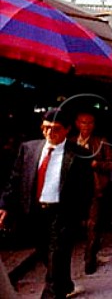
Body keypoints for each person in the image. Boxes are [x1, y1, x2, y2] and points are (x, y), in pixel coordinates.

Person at [0, 108, 94, 298]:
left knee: (56, 263)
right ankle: (65, 283)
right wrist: (4, 205)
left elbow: (86, 188)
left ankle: (53, 291)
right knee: (48, 256)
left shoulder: (79, 154)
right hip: (34, 213)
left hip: (62, 216)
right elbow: (15, 179)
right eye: (46, 128)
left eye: (56, 128)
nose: (50, 133)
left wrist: (80, 217)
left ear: (68, 129)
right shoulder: (29, 148)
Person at [71, 110, 112, 275]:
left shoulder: (101, 142)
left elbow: (111, 164)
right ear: (77, 124)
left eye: (90, 123)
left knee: (93, 224)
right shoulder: (70, 142)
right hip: (74, 189)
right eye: (83, 122)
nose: (87, 126)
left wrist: (97, 165)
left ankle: (89, 259)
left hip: (95, 188)